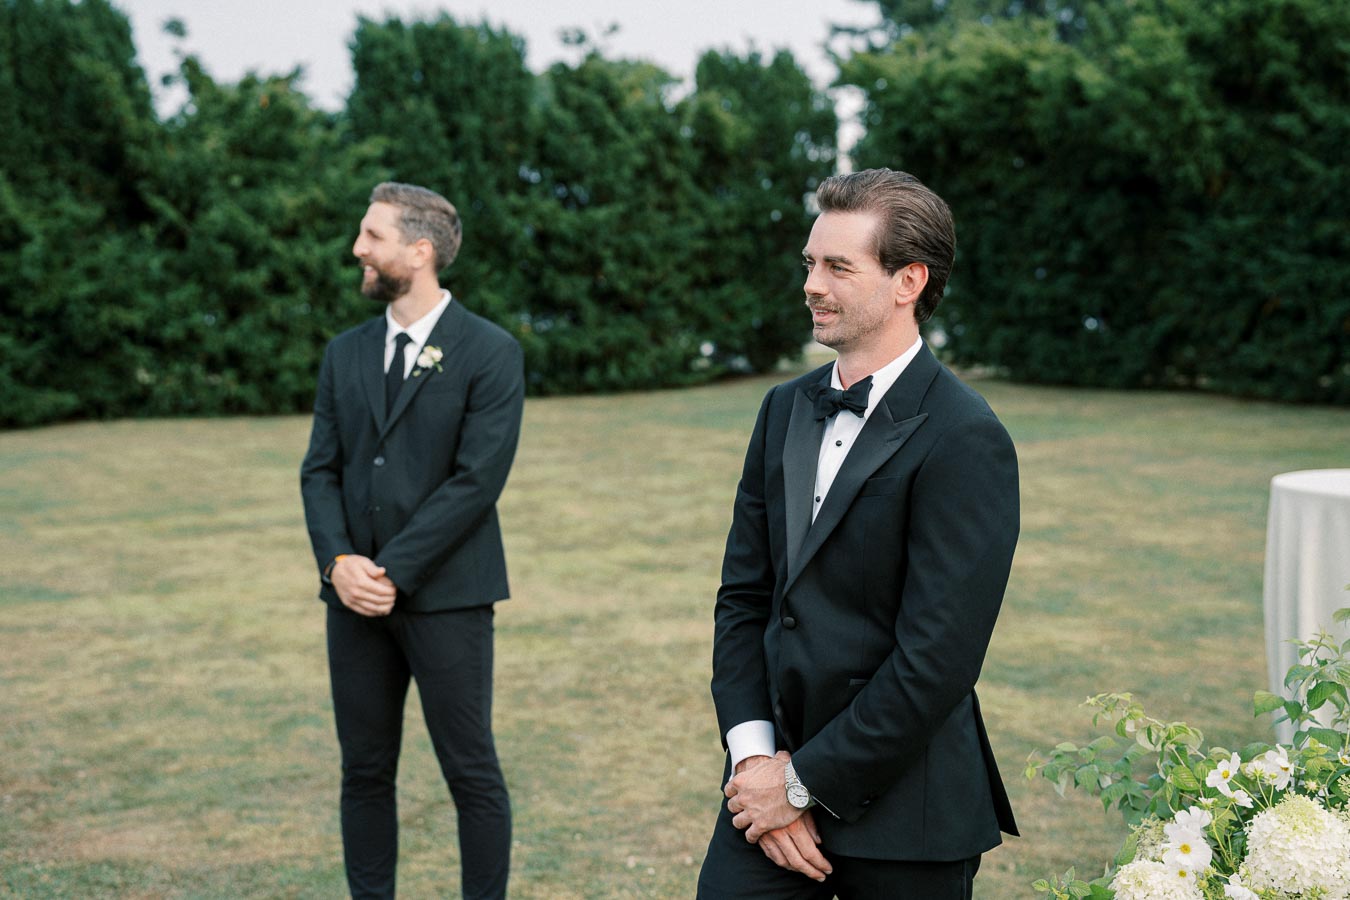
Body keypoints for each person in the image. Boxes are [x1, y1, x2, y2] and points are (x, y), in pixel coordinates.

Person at [697, 168, 1020, 899]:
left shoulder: (967, 437)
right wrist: (754, 766)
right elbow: (744, 599)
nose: (812, 283)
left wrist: (803, 785)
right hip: (765, 787)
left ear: (908, 281)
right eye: (810, 262)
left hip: (907, 809)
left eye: (838, 266)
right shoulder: (782, 409)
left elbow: (936, 660)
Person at [300, 181, 523, 900]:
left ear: (419, 251)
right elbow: (321, 470)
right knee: (363, 771)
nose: (356, 249)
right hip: (352, 601)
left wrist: (390, 570)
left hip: (449, 598)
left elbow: (474, 481)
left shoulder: (490, 352)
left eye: (371, 236)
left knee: (471, 771)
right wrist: (339, 564)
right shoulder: (345, 353)